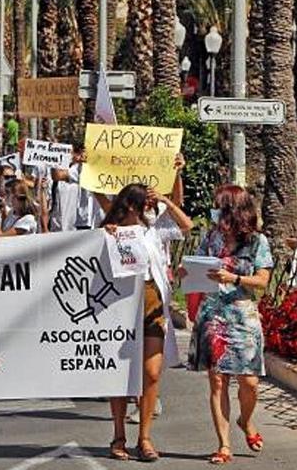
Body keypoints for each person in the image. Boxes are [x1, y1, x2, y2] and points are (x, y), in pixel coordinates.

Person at [100, 183, 192, 462]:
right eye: (146, 203)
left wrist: (166, 198)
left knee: (151, 374)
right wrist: (105, 237)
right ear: (131, 206)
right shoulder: (107, 232)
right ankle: (118, 436)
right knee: (120, 377)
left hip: (152, 306)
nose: (151, 208)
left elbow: (187, 225)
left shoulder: (154, 230)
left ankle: (145, 438)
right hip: (119, 310)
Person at [187, 185, 272, 465]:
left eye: (219, 206)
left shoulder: (257, 242)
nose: (214, 211)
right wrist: (186, 270)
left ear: (233, 210)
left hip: (243, 314)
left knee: (249, 383)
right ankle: (223, 445)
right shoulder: (211, 237)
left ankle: (245, 421)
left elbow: (262, 280)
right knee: (217, 381)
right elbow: (197, 264)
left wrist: (233, 278)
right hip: (213, 314)